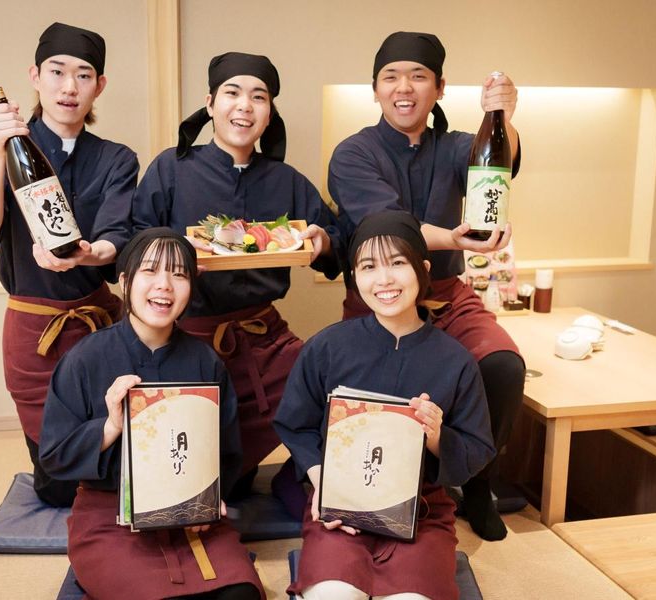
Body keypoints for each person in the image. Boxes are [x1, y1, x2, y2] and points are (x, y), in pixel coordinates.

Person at [327, 31, 525, 540]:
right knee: (375, 395)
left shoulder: (457, 146)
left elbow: (495, 165)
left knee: (502, 364)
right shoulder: (353, 153)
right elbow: (387, 225)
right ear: (375, 88)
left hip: (446, 294)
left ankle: (478, 485)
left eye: (418, 77)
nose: (404, 88)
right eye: (391, 77)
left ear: (439, 88)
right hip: (380, 302)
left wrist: (501, 116)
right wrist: (453, 237)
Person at [132, 52, 341, 513]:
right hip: (187, 340)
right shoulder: (171, 169)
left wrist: (323, 241)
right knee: (206, 480)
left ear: (269, 113)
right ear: (210, 104)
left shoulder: (287, 180)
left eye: (258, 97)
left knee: (332, 384)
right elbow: (136, 241)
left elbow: (335, 243)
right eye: (232, 93)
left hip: (265, 338)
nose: (244, 106)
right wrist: (176, 260)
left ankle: (296, 475)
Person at [0, 22, 138, 507]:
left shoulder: (117, 159)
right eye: (57, 72)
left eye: (84, 75)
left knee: (113, 470)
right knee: (58, 486)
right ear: (35, 77)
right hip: (33, 329)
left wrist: (88, 253)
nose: (69, 86)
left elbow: (117, 238)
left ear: (99, 86)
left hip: (99, 327)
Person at [274, 210, 495, 600]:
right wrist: (322, 481)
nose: (384, 279)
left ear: (423, 269)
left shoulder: (455, 360)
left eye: (397, 263)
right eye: (368, 266)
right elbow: (296, 424)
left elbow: (477, 447)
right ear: (354, 277)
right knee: (333, 595)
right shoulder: (326, 347)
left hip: (421, 512)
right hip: (340, 507)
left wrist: (437, 436)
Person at [40, 228, 263, 600]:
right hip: (110, 518)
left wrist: (208, 498)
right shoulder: (84, 358)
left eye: (179, 274)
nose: (164, 285)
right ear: (125, 281)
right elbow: (54, 455)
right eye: (150, 271)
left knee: (241, 594)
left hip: (191, 516)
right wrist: (111, 426)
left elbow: (225, 452)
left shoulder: (205, 360)